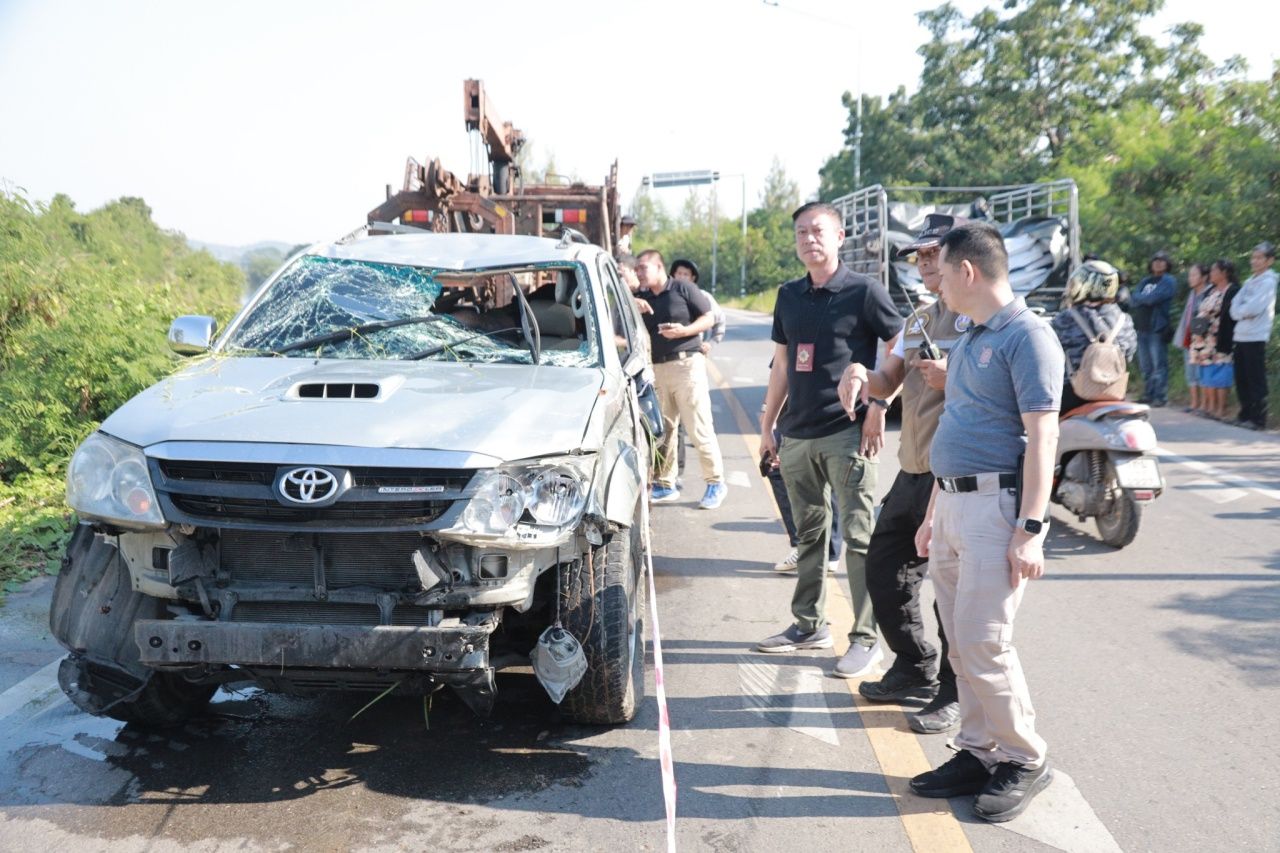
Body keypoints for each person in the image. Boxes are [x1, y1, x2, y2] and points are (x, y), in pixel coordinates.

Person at [907, 222, 1064, 823]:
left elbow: (1042, 433)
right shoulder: (971, 336)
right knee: (960, 645)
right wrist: (932, 512)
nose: (936, 283)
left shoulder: (1029, 337)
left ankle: (1024, 758)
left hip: (995, 510)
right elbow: (959, 427)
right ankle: (977, 750)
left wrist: (1031, 528)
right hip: (950, 506)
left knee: (983, 643)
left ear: (967, 272)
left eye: (941, 272)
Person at [755, 202, 902, 681]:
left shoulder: (864, 291)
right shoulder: (789, 295)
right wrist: (768, 425)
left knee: (859, 538)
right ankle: (808, 625)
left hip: (846, 434)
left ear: (840, 237)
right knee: (810, 537)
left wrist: (879, 405)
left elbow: (900, 345)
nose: (808, 239)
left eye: (818, 231)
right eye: (801, 232)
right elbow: (781, 364)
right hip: (797, 435)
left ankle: (865, 639)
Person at [836, 213, 966, 731]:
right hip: (913, 471)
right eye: (920, 255)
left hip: (955, 476)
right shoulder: (917, 323)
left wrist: (952, 375)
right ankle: (916, 666)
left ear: (963, 258)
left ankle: (955, 692)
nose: (926, 263)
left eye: (935, 253)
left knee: (953, 592)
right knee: (884, 570)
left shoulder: (982, 320)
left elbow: (1000, 391)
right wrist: (859, 377)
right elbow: (887, 378)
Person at [635, 249, 727, 509]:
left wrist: (684, 331)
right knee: (664, 430)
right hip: (657, 369)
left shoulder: (682, 288)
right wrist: (632, 301)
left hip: (687, 364)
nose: (639, 273)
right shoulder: (640, 296)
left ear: (659, 267)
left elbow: (709, 317)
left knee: (698, 426)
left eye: (643, 268)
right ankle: (665, 483)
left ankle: (715, 482)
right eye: (638, 269)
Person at [1050, 259, 1138, 413]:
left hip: (1074, 393)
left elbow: (1049, 356)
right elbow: (1129, 355)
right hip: (1114, 392)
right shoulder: (1124, 320)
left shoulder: (1065, 319)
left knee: (1039, 423)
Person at [1229, 242, 1277, 430]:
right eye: (1253, 257)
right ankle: (1245, 414)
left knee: (1255, 378)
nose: (1255, 261)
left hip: (1255, 336)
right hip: (1240, 335)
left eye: (1259, 258)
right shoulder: (1250, 281)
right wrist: (1242, 311)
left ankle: (1258, 419)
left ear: (1269, 261)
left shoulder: (1268, 282)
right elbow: (1234, 305)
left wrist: (1241, 311)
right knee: (1241, 377)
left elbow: (1254, 308)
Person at [1191, 259, 1240, 421]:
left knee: (1221, 372)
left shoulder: (1232, 290)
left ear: (1224, 273)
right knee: (1207, 372)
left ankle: (1220, 409)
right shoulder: (1210, 290)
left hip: (1221, 338)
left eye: (1214, 271)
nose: (1211, 274)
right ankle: (1208, 407)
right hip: (1203, 339)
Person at [1128, 251, 1176, 406]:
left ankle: (1160, 396)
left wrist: (1141, 298)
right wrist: (1142, 299)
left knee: (1158, 364)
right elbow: (1133, 300)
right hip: (1142, 327)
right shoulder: (1146, 281)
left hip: (1157, 328)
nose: (1158, 263)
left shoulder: (1168, 280)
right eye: (1155, 260)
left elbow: (1152, 299)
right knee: (1146, 366)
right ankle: (1148, 394)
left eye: (1162, 260)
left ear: (1167, 264)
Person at [1174, 263, 1211, 414]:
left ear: (1204, 277)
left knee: (1201, 371)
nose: (1191, 278)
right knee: (1190, 372)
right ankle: (1194, 403)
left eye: (1194, 275)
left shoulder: (1209, 293)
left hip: (1203, 338)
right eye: (1190, 275)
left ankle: (1204, 405)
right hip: (1188, 336)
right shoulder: (1192, 293)